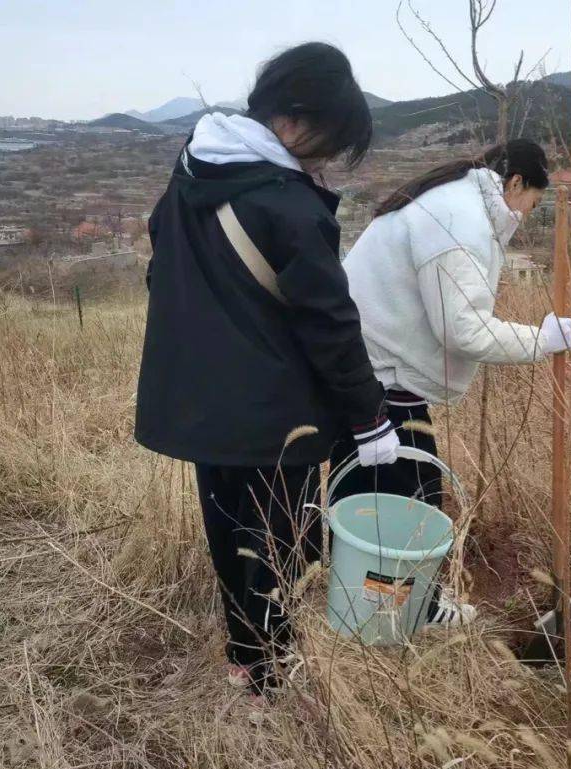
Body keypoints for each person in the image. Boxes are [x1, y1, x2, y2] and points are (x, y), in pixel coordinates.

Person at [134, 43, 401, 696]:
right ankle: (268, 670)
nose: (326, 160)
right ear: (299, 118)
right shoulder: (290, 206)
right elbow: (330, 321)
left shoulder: (194, 168)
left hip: (199, 399)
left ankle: (242, 654)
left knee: (228, 531)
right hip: (271, 413)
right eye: (329, 142)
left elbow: (159, 260)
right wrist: (369, 418)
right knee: (276, 540)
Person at [334, 139, 571, 624]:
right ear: (515, 183)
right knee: (410, 499)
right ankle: (398, 611)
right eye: (533, 203)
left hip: (362, 368)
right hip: (381, 377)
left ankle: (360, 597)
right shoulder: (458, 221)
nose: (527, 215)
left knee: (365, 495)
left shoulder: (452, 201)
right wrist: (540, 340)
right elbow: (462, 328)